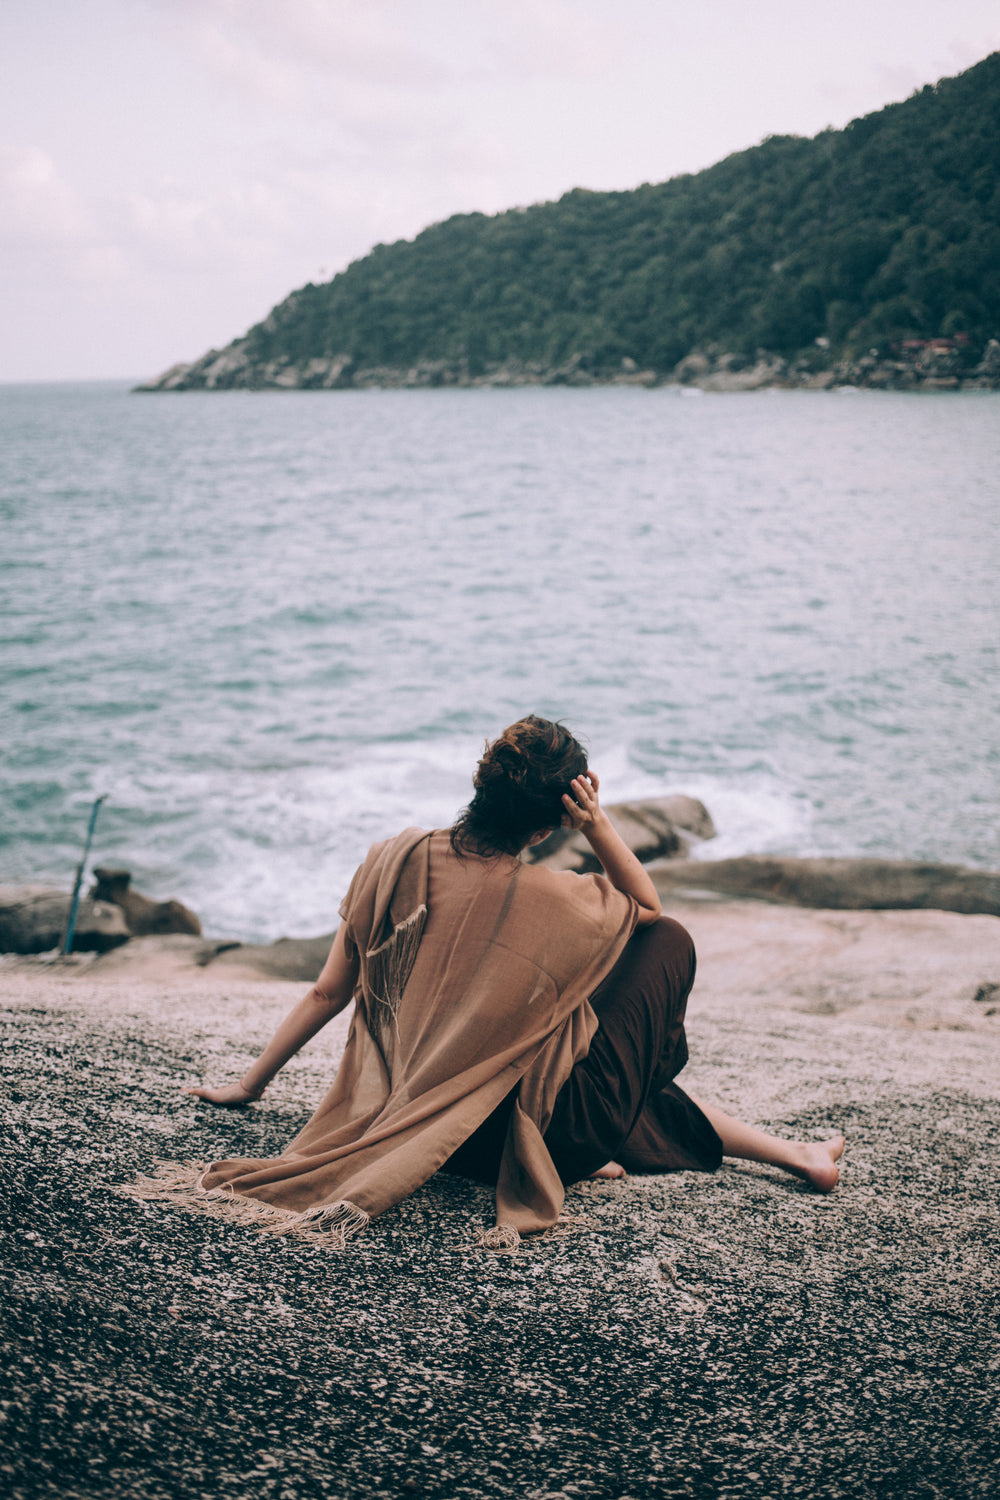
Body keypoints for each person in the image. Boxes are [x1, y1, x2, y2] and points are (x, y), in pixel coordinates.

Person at [137, 716, 842, 1250]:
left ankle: (798, 1156)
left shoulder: (393, 859)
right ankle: (602, 1150)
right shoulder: (556, 900)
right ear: (549, 826)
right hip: (530, 1137)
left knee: (564, 1034)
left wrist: (249, 1085)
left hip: (441, 1137)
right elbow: (650, 908)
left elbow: (330, 991)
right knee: (665, 945)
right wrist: (598, 827)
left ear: (480, 786)